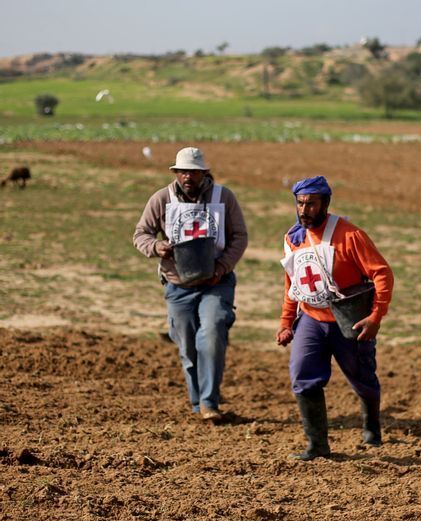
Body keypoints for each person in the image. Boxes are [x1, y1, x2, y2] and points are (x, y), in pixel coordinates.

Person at [276, 175, 394, 460]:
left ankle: (372, 426)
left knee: (362, 378)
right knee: (303, 377)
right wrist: (285, 321)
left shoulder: (350, 236)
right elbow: (292, 282)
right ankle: (317, 446)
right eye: (300, 204)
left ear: (325, 204)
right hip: (311, 321)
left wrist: (376, 316)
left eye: (311, 204)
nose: (304, 210)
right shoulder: (293, 239)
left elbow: (382, 273)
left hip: (349, 321)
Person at [133, 147, 248, 422]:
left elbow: (239, 236)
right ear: (175, 173)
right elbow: (141, 234)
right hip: (177, 285)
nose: (188, 176)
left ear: (203, 173)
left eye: (193, 172)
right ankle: (198, 402)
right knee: (187, 346)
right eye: (183, 171)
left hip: (215, 282)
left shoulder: (224, 197)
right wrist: (156, 246)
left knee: (212, 332)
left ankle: (209, 401)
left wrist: (222, 267)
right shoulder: (162, 199)